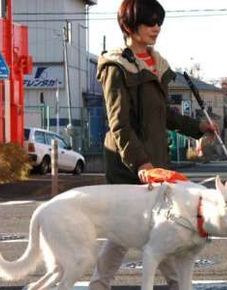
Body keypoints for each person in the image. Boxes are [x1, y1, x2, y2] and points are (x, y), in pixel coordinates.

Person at [89, 0, 215, 289]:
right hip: (128, 163)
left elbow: (164, 115)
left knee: (135, 230)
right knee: (136, 229)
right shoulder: (116, 66)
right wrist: (141, 163)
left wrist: (198, 127)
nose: (156, 28)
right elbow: (119, 124)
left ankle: (101, 285)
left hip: (157, 161)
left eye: (159, 22)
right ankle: (174, 283)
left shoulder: (157, 64)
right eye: (149, 22)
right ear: (129, 26)